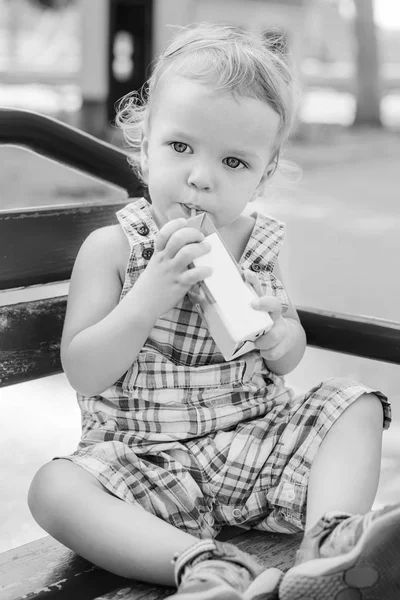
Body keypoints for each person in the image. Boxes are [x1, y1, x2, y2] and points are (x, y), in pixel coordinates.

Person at [27, 23, 399, 600]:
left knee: (353, 405)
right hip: (146, 465)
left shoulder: (256, 244)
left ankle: (326, 550)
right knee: (54, 487)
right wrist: (150, 294)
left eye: (233, 162)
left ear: (263, 175)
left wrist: (280, 335)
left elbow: (285, 358)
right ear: (143, 144)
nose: (202, 178)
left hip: (252, 445)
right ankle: (205, 566)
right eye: (180, 148)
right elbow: (84, 370)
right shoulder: (116, 250)